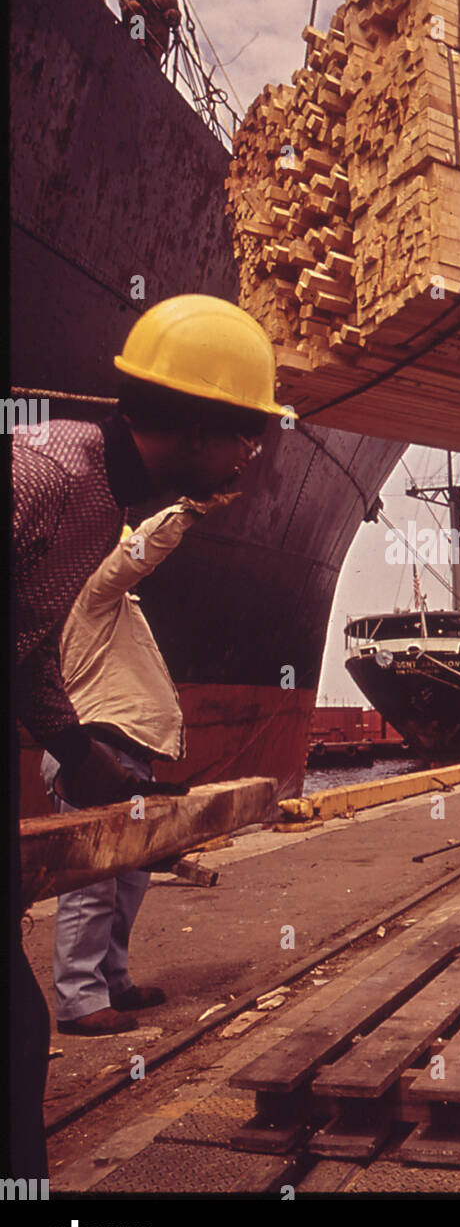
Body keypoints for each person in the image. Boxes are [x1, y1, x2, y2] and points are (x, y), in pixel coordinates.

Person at [10, 293, 284, 1177]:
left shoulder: (95, 497)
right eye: (245, 432)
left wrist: (67, 741)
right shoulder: (45, 475)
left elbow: (21, 638)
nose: (252, 453)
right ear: (198, 429)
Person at [44, 500, 232, 1036]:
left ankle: (112, 981)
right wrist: (191, 506)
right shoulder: (91, 590)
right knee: (93, 881)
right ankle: (79, 1001)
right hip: (95, 757)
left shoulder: (110, 606)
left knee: (129, 878)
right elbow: (136, 555)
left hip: (123, 756)